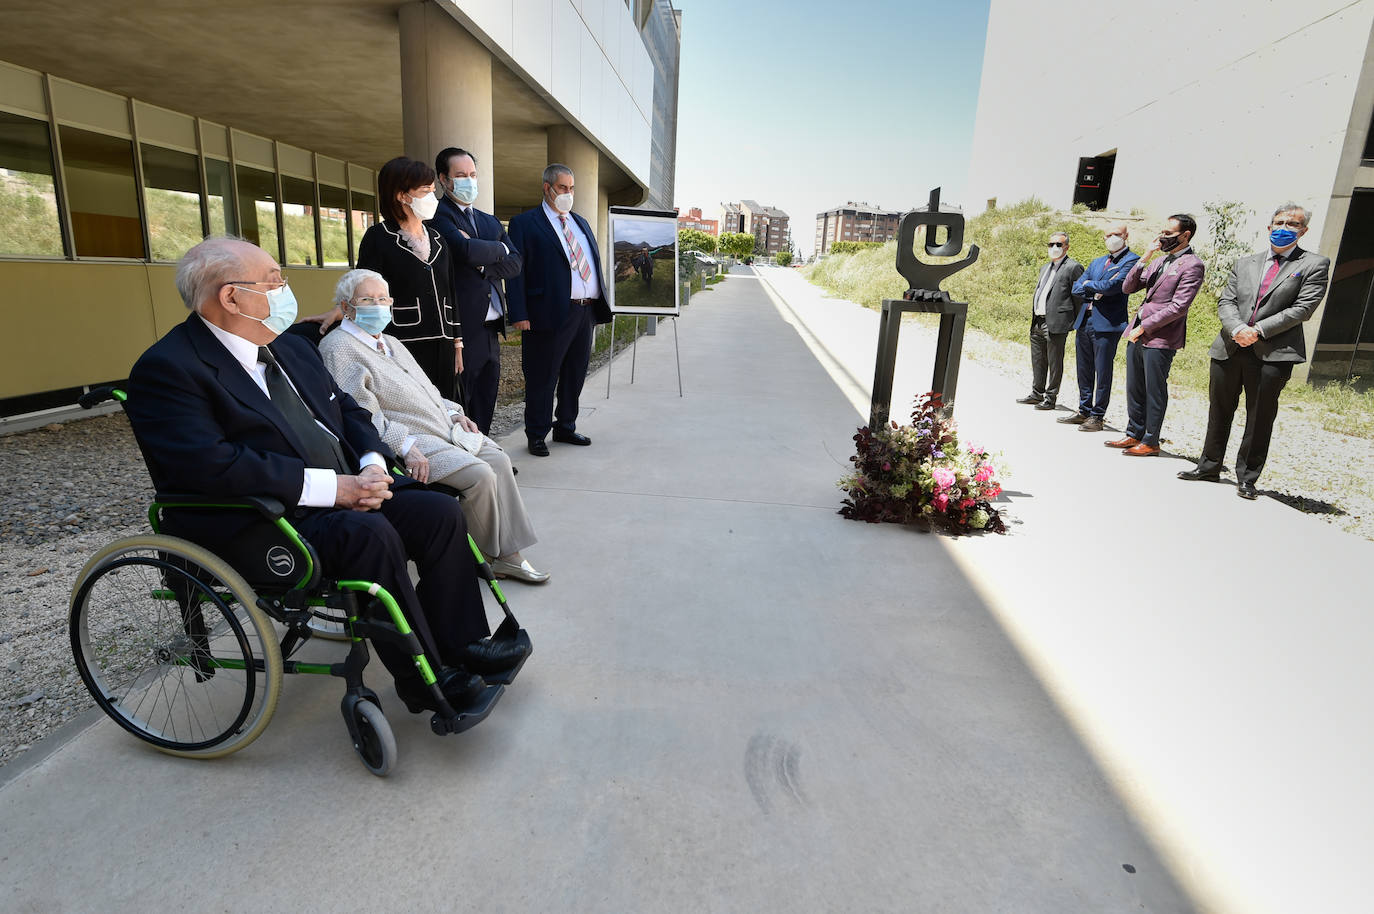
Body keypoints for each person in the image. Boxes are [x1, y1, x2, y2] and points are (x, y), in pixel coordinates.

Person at [123, 237, 528, 715]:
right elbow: (211, 465)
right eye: (274, 281)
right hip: (264, 515)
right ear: (230, 297)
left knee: (438, 511)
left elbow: (351, 413)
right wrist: (335, 489)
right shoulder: (168, 369)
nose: (283, 291)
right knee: (369, 534)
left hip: (343, 489)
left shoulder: (291, 349)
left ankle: (462, 645)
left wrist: (372, 466)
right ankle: (425, 679)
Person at [319, 269, 549, 583]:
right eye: (367, 299)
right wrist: (405, 447)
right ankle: (485, 557)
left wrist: (454, 412)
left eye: (383, 299)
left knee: (499, 460)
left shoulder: (388, 341)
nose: (378, 305)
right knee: (480, 475)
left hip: (442, 426)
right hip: (411, 441)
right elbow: (361, 415)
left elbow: (427, 390)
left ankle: (508, 552)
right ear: (346, 307)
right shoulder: (339, 348)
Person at [1178, 204, 1331, 498]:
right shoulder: (1245, 262)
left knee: (1259, 416)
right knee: (1219, 409)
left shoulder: (1314, 264)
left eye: (1293, 223)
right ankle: (1208, 466)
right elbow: (1227, 301)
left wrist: (1258, 330)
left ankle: (1247, 477)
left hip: (1273, 351)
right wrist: (1237, 329)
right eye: (1279, 222)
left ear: (1304, 230)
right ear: (1269, 226)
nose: (1285, 227)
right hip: (1230, 346)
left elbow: (1303, 308)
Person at [505, 163, 612, 457]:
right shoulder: (525, 223)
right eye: (563, 188)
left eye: (572, 188)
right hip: (546, 313)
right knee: (543, 375)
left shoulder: (580, 222)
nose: (568, 193)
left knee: (575, 373)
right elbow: (516, 272)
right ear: (547, 188)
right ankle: (537, 433)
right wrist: (519, 313)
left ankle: (565, 425)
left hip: (584, 312)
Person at [430, 146, 523, 434]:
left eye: (472, 174)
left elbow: (516, 261)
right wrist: (499, 248)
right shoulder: (438, 216)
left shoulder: (488, 220)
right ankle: (466, 457)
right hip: (462, 324)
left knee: (487, 393)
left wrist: (486, 264)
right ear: (444, 179)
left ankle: (484, 450)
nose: (469, 181)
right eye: (460, 175)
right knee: (462, 397)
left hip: (491, 325)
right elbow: (464, 251)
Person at [353, 156, 462, 402]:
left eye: (433, 191)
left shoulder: (438, 238)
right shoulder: (378, 237)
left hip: (443, 342)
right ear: (402, 196)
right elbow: (363, 287)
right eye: (425, 191)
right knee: (414, 405)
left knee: (447, 406)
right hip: (403, 341)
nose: (432, 198)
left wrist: (457, 343)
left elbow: (451, 291)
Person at [1106, 214, 1205, 457]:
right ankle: (1134, 432)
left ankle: (1151, 440)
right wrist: (1145, 257)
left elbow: (1179, 306)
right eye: (1162, 232)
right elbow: (1128, 287)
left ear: (1185, 235)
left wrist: (1146, 325)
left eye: (1169, 234)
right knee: (1134, 386)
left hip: (1161, 336)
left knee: (1154, 389)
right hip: (1138, 333)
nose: (1163, 237)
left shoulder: (1192, 264)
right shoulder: (1159, 261)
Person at [1063, 224, 1139, 432]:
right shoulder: (1097, 262)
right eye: (1108, 235)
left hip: (1107, 323)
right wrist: (1093, 286)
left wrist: (1090, 284)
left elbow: (1115, 287)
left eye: (1116, 234)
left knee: (1103, 371)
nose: (1112, 238)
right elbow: (1077, 287)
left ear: (1125, 235)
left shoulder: (1131, 260)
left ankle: (1098, 416)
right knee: (1084, 368)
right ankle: (1084, 410)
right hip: (1085, 320)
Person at [1015, 232, 1084, 411]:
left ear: (1067, 247)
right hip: (1037, 320)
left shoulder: (1073, 267)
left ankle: (1050, 397)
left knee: (1055, 362)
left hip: (1056, 322)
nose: (1054, 248)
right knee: (1038, 359)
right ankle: (1036, 393)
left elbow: (1079, 297)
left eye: (1058, 245)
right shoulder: (1045, 267)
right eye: (1051, 244)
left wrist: (1074, 322)